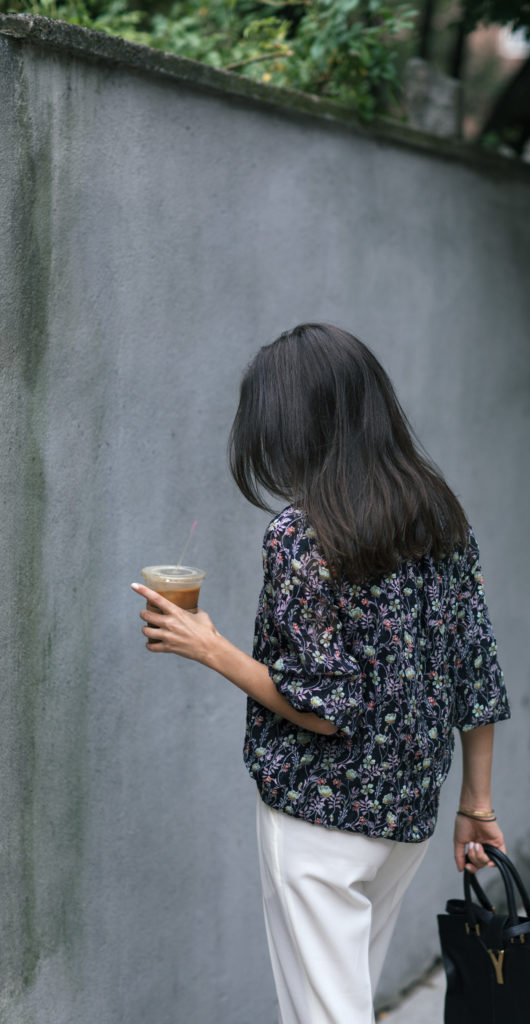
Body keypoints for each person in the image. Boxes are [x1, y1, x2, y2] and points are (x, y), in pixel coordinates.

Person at [131, 323, 510, 1024]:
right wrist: (476, 806)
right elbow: (474, 671)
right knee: (344, 1006)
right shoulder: (438, 515)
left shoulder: (302, 534)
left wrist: (208, 646)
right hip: (409, 816)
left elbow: (322, 708)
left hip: (317, 817)